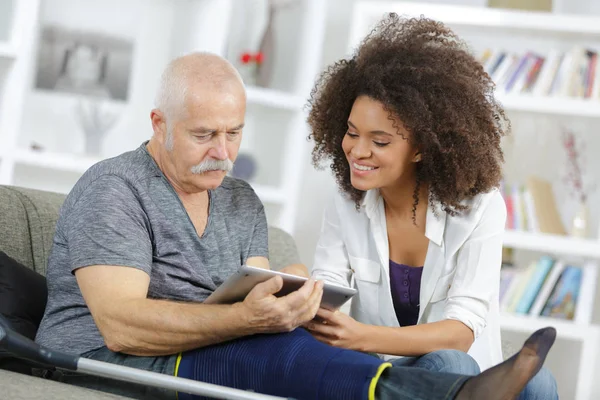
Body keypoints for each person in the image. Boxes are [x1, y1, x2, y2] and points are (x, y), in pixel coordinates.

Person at [34, 51, 555, 400]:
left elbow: (255, 294)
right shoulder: (115, 189)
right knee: (279, 353)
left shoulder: (238, 199)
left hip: (205, 349)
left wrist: (291, 295)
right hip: (110, 361)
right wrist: (252, 323)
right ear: (159, 124)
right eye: (204, 135)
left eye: (234, 133)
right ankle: (452, 395)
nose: (222, 153)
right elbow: (122, 326)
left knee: (288, 346)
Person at [305, 14, 558, 400]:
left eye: (381, 141)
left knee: (540, 383)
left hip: (469, 364)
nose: (357, 151)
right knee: (450, 365)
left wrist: (361, 335)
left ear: (422, 146)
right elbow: (328, 293)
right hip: (384, 371)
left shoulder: (479, 208)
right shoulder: (346, 201)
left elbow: (461, 331)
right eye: (352, 133)